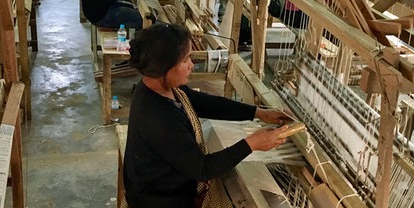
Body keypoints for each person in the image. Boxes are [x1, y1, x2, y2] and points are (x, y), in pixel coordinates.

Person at [124, 23, 292, 207]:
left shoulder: (161, 88)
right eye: (186, 59)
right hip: (160, 200)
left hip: (165, 186)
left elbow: (202, 102)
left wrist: (258, 113)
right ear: (165, 67)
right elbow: (202, 169)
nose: (192, 65)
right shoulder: (157, 117)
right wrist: (252, 144)